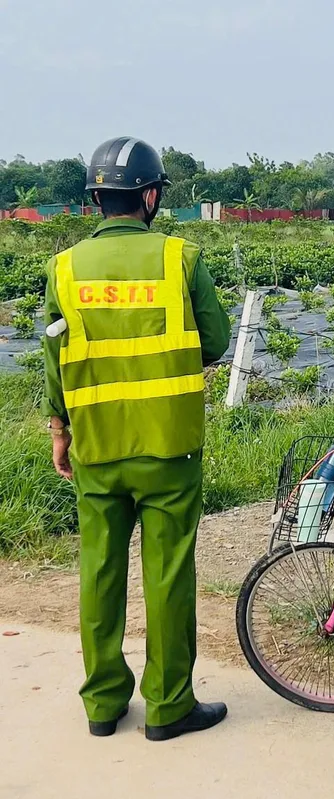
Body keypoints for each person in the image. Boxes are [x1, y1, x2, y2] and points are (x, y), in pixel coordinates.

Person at [41, 137, 232, 741]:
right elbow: (217, 341)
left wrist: (59, 428)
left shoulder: (65, 268)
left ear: (98, 198)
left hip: (97, 446)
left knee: (99, 572)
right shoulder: (181, 258)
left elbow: (55, 355)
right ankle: (169, 706)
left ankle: (102, 704)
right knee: (169, 574)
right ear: (150, 196)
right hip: (168, 447)